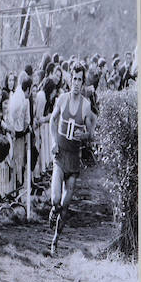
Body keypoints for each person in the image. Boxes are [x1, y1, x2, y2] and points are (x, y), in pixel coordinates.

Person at [45, 60, 95, 257]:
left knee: (65, 208)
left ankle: (55, 240)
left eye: (80, 80)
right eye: (74, 79)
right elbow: (52, 120)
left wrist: (85, 135)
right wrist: (53, 141)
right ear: (70, 80)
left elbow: (91, 132)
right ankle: (53, 209)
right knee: (56, 198)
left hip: (74, 157)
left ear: (83, 83)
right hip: (60, 154)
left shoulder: (86, 106)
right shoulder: (62, 99)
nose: (76, 83)